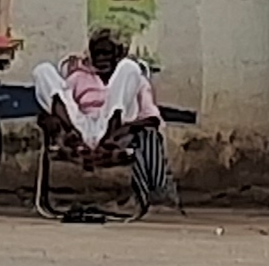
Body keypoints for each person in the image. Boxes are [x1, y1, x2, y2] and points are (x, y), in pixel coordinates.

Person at [33, 27, 179, 212]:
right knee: (43, 70)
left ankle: (109, 140)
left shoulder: (133, 78)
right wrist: (59, 125)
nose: (101, 58)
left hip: (117, 131)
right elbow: (61, 101)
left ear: (118, 53)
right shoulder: (79, 76)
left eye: (106, 53)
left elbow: (152, 120)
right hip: (80, 128)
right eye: (97, 53)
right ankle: (75, 136)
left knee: (130, 68)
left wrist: (120, 132)